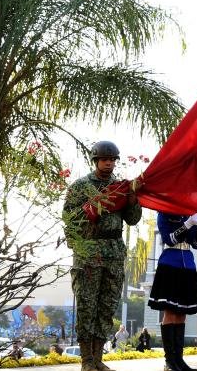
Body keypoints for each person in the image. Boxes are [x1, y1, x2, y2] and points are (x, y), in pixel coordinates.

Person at [62, 140, 142, 371]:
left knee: (107, 306)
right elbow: (69, 219)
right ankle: (86, 360)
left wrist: (133, 200)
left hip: (114, 252)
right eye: (105, 159)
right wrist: (92, 206)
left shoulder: (120, 187)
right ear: (95, 160)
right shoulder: (80, 186)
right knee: (87, 306)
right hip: (89, 251)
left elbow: (133, 219)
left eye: (112, 160)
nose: (109, 163)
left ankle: (98, 359)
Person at [148, 211, 197, 371]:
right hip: (170, 263)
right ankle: (169, 361)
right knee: (170, 312)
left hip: (187, 264)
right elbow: (169, 239)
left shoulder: (185, 214)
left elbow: (196, 244)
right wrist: (188, 224)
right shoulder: (163, 214)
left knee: (182, 313)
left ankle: (179, 359)